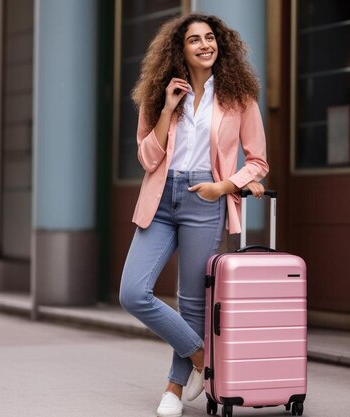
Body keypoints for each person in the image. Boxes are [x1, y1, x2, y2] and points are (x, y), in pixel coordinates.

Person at [119, 13, 269, 417]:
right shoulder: (160, 94)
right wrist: (168, 109)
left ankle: (173, 387)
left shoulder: (239, 97)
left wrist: (223, 187)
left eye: (210, 38)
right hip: (161, 198)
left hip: (205, 196)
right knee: (132, 292)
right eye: (194, 40)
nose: (205, 45)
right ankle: (206, 361)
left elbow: (258, 161)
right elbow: (147, 158)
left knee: (191, 302)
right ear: (179, 49)